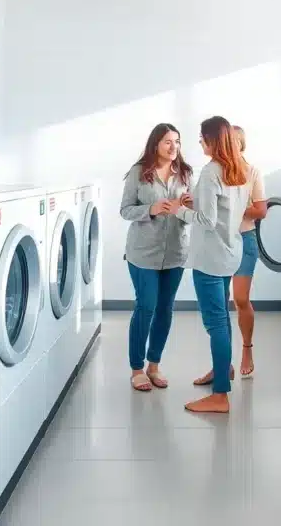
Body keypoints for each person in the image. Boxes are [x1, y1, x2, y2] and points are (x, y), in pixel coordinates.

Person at [171, 116, 250, 414]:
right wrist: (197, 204)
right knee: (223, 317)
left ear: (213, 141)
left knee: (215, 322)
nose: (200, 143)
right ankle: (223, 370)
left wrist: (180, 210)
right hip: (230, 253)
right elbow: (224, 211)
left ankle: (220, 396)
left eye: (202, 138)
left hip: (210, 259)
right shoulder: (239, 169)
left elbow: (205, 220)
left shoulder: (210, 172)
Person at [120, 123, 193, 392]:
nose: (174, 147)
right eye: (167, 142)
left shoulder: (185, 173)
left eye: (178, 142)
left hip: (175, 252)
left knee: (165, 308)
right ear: (155, 145)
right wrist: (150, 209)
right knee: (146, 306)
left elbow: (193, 206)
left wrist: (190, 206)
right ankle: (137, 368)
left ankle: (154, 365)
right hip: (143, 253)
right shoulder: (139, 173)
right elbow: (125, 210)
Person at [193, 124, 267, 384]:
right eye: (228, 140)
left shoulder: (249, 171)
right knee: (220, 310)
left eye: (235, 140)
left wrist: (230, 210)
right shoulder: (220, 171)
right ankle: (223, 368)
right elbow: (212, 209)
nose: (231, 144)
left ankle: (246, 351)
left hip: (242, 239)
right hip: (224, 242)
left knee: (240, 300)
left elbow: (261, 210)